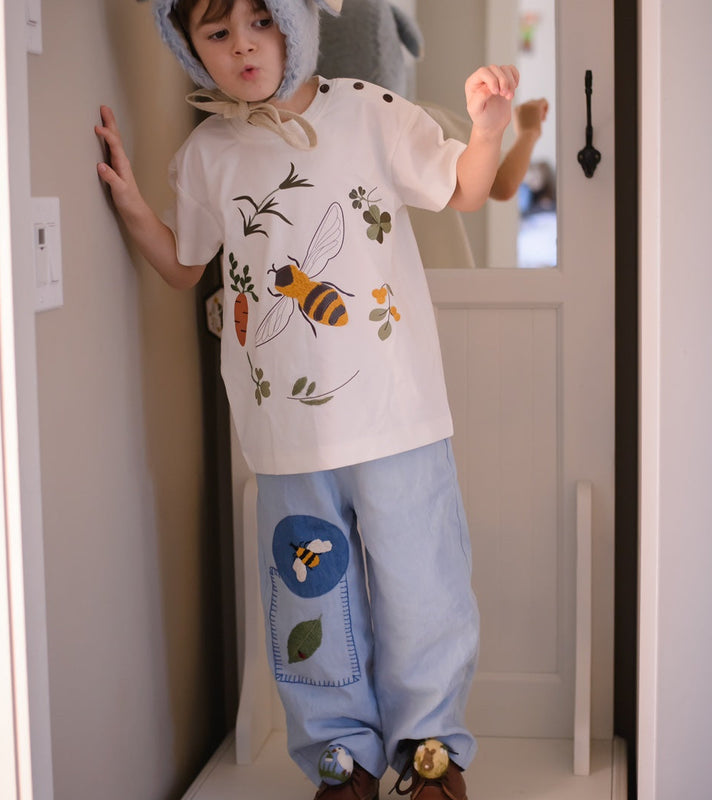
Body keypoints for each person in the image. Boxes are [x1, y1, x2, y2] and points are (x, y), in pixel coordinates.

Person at [95, 1, 518, 798]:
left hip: (399, 416)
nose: (243, 46)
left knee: (423, 591)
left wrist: (488, 127)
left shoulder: (366, 110)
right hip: (287, 434)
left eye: (261, 21)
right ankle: (341, 763)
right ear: (189, 49)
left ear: (296, 22)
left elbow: (463, 189)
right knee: (309, 608)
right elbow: (186, 267)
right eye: (216, 34)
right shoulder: (206, 156)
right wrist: (128, 205)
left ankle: (431, 760)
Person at [316, 0, 549, 269]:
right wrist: (529, 132)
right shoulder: (417, 120)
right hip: (445, 288)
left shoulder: (295, 135)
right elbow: (503, 183)